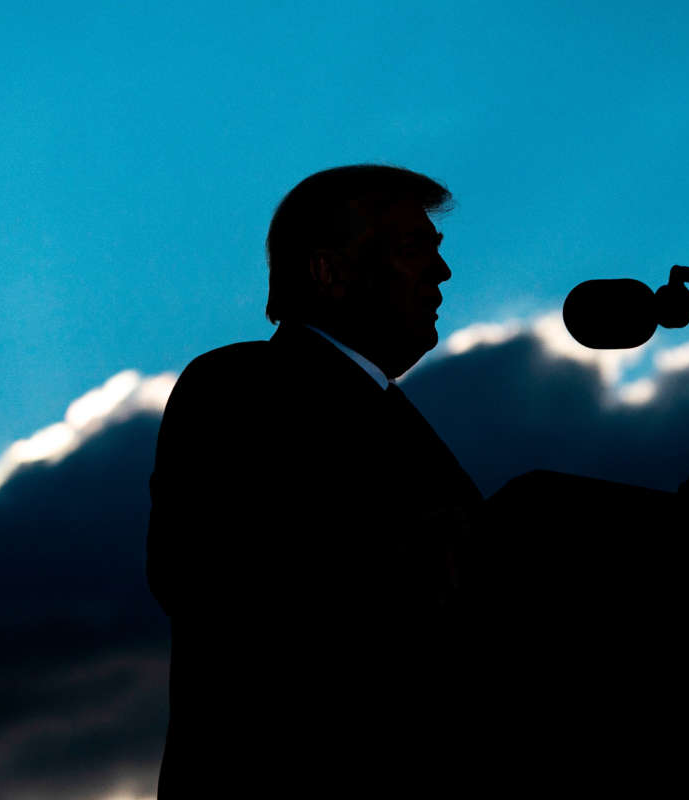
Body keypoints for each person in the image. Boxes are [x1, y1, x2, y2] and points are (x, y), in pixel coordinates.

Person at [146, 165, 482, 796]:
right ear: (328, 271)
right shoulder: (241, 387)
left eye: (437, 252)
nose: (442, 274)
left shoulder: (402, 422)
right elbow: (200, 573)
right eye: (413, 250)